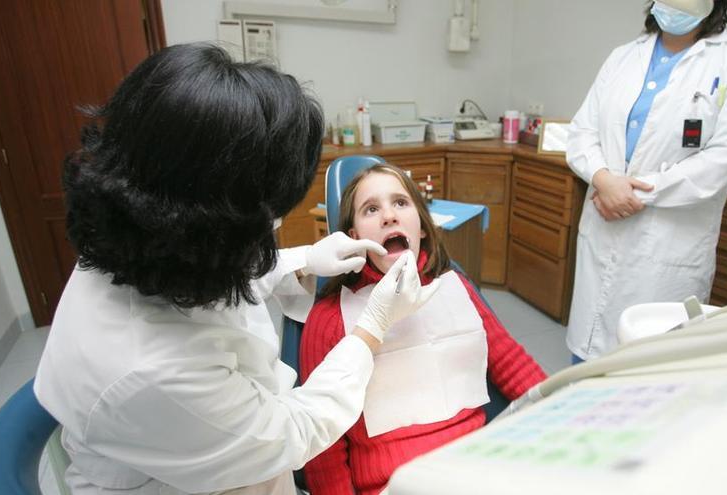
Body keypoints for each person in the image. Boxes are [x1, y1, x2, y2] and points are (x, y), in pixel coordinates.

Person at [33, 44, 439, 495]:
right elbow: (295, 433)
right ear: (214, 222)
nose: (389, 217)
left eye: (401, 203)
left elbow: (212, 276)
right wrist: (370, 329)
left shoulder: (142, 232)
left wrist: (304, 260)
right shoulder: (153, 370)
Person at [299, 163, 547, 495]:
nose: (389, 216)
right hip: (395, 484)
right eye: (371, 209)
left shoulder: (455, 286)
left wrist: (566, 414)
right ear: (354, 237)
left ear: (422, 227)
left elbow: (513, 365)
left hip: (478, 466)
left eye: (400, 203)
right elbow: (324, 447)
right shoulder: (329, 317)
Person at [565, 0, 727, 361]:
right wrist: (604, 179)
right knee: (588, 356)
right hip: (604, 218)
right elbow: (582, 131)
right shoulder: (624, 56)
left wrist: (640, 193)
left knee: (651, 363)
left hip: (667, 239)